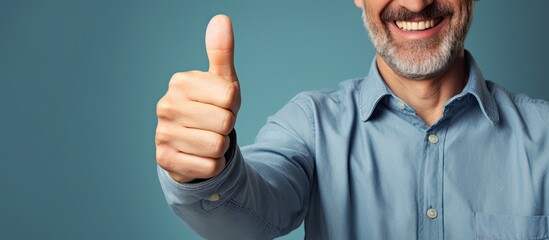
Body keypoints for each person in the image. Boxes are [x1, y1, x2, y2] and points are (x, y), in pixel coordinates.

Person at [155, 0, 549, 239]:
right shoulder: (310, 126)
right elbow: (248, 212)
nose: (414, 4)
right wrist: (204, 170)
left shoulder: (544, 138)